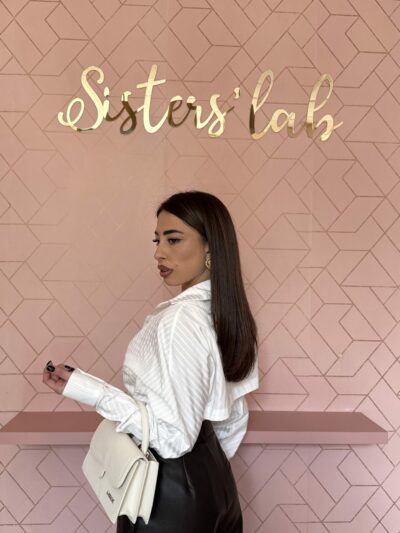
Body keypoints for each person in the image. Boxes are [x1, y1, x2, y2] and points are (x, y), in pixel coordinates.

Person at [42, 190, 259, 532]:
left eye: (174, 239)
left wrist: (89, 390)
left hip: (169, 494)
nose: (159, 252)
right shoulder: (225, 313)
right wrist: (204, 472)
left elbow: (174, 439)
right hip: (217, 485)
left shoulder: (179, 321)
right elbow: (234, 419)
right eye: (158, 240)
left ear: (210, 247)